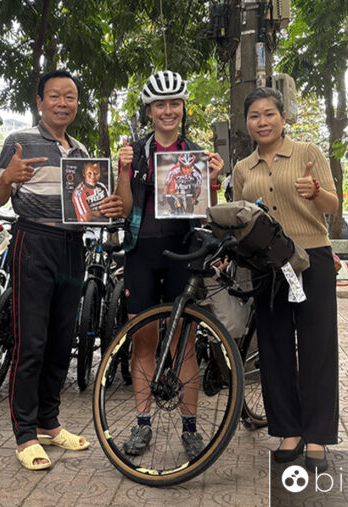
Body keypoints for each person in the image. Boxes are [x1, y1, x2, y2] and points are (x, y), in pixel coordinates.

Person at [0, 69, 124, 470]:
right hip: (32, 242)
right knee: (31, 341)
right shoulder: (19, 142)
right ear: (40, 102)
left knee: (62, 339)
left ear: (77, 104)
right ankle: (25, 433)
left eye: (70, 97)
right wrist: (8, 178)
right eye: (55, 96)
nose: (63, 103)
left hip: (72, 247)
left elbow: (91, 209)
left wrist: (109, 208)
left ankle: (49, 421)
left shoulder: (81, 153)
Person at [113, 70, 225, 460]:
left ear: (182, 108)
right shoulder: (136, 150)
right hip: (141, 252)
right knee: (144, 341)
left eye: (174, 103)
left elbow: (208, 213)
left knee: (184, 344)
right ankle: (142, 425)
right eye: (160, 104)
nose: (167, 110)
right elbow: (124, 208)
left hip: (184, 251)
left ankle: (190, 429)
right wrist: (124, 170)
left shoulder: (195, 152)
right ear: (149, 110)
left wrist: (213, 178)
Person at [232, 86, 339, 472]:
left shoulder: (308, 154)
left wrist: (315, 192)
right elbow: (240, 216)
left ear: (283, 116)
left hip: (312, 258)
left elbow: (333, 206)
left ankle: (317, 437)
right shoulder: (243, 168)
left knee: (317, 347)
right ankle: (288, 431)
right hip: (269, 265)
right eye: (255, 116)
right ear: (247, 123)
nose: (262, 122)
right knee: (275, 349)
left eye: (269, 114)